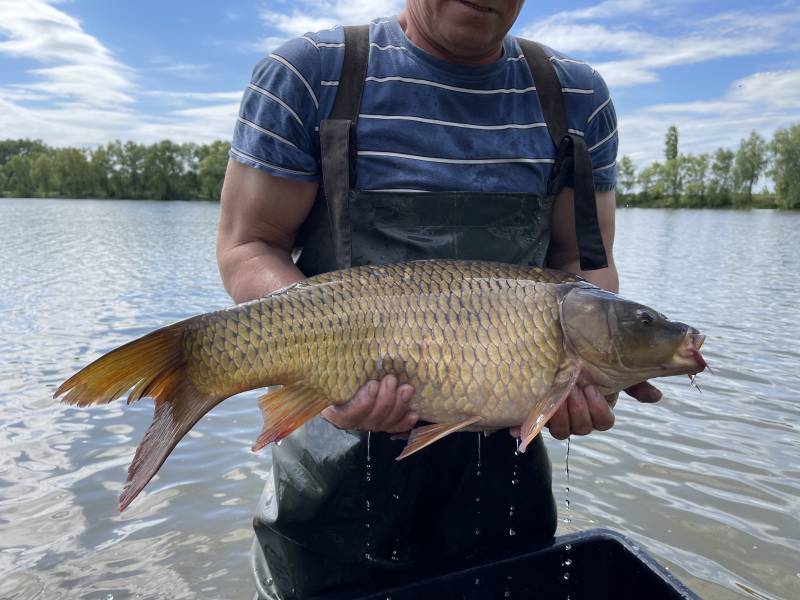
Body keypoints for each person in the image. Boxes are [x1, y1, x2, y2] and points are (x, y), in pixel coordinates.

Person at [217, 2, 660, 598]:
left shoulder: (576, 97)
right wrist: (328, 376)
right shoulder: (311, 74)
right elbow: (249, 247)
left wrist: (588, 376)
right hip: (333, 483)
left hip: (504, 475)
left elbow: (584, 265)